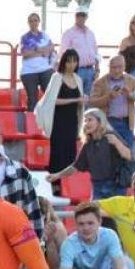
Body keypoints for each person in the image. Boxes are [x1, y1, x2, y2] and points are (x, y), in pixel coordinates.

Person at [46, 108, 133, 200]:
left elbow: (128, 156)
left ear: (100, 122)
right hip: (97, 187)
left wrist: (117, 143)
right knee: (95, 213)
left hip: (116, 187)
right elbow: (76, 166)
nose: (86, 123)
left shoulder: (111, 136)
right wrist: (57, 175)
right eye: (85, 120)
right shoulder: (88, 143)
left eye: (90, 120)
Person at [35, 48, 85, 177]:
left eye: (75, 61)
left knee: (70, 152)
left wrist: (82, 101)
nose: (72, 65)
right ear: (64, 62)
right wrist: (76, 99)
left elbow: (79, 102)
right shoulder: (57, 77)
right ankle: (55, 184)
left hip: (72, 121)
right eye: (69, 61)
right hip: (58, 121)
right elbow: (52, 101)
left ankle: (68, 184)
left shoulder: (78, 79)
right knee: (58, 152)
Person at [89, 55, 135, 148]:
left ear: (124, 67)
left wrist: (131, 95)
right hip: (108, 122)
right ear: (108, 67)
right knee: (109, 154)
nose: (117, 70)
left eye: (119, 67)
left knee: (127, 153)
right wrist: (109, 97)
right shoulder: (99, 82)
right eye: (113, 67)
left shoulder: (131, 80)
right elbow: (92, 102)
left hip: (127, 123)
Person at [19, 13, 54, 112]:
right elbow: (25, 53)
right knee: (32, 99)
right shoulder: (24, 37)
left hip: (45, 69)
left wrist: (35, 51)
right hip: (29, 72)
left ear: (39, 22)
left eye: (35, 20)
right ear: (28, 23)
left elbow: (51, 47)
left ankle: (51, 119)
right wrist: (41, 50)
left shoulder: (45, 35)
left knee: (50, 95)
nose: (33, 23)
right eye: (31, 21)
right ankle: (31, 123)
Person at [60, 9, 99, 95]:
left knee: (89, 99)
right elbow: (63, 54)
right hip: (76, 71)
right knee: (75, 97)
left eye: (83, 15)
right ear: (75, 16)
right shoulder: (68, 33)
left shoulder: (91, 33)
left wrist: (97, 70)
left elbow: (96, 53)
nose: (80, 17)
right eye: (78, 15)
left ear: (86, 17)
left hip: (91, 71)